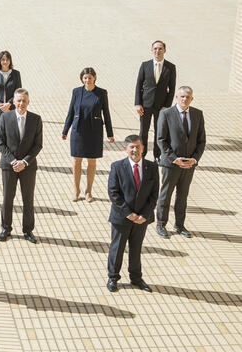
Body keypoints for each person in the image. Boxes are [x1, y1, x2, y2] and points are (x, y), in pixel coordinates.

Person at [106, 135, 157, 293]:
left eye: (137, 147)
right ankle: (113, 277)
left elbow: (154, 195)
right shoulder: (117, 167)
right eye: (131, 147)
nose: (135, 150)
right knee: (117, 248)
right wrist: (128, 214)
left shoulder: (152, 167)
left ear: (143, 148)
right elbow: (113, 193)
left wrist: (144, 215)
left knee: (136, 248)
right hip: (122, 217)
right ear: (126, 149)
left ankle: (136, 277)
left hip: (141, 219)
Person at [155, 87, 206, 239]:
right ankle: (161, 224)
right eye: (182, 96)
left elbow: (201, 140)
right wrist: (174, 159)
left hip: (189, 164)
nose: (184, 99)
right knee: (166, 195)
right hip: (171, 164)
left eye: (188, 97)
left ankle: (179, 225)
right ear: (176, 97)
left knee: (182, 196)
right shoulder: (166, 114)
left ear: (192, 99)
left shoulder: (197, 114)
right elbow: (161, 140)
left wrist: (194, 159)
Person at [0, 89, 42, 243]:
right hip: (9, 166)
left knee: (28, 199)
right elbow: (0, 142)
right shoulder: (4, 117)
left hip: (28, 167)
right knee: (7, 198)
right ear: (13, 102)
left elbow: (38, 145)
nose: (21, 103)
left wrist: (24, 162)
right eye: (18, 101)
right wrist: (13, 161)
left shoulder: (36, 119)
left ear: (28, 102)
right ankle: (6, 228)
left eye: (24, 101)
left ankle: (28, 230)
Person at [62, 67, 115, 202]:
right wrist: (65, 130)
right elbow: (71, 112)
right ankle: (76, 190)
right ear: (82, 79)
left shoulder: (101, 93)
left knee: (92, 162)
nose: (87, 80)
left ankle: (88, 191)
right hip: (78, 131)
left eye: (90, 78)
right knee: (76, 161)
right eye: (85, 78)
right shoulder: (76, 92)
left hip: (94, 131)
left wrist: (110, 133)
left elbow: (106, 113)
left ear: (95, 78)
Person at [134, 40, 176, 160]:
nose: (158, 51)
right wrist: (138, 103)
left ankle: (157, 156)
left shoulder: (171, 67)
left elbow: (172, 89)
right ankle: (142, 154)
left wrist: (167, 106)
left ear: (165, 51)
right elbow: (138, 85)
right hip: (145, 105)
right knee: (143, 132)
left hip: (161, 106)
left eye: (160, 49)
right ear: (152, 50)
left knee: (159, 132)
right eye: (155, 49)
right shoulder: (145, 65)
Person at [0, 51, 22, 167]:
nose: (5, 62)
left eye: (7, 59)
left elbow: (18, 91)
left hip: (10, 108)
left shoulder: (16, 74)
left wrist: (9, 104)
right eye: (3, 59)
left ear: (10, 61)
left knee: (10, 133)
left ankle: (8, 156)